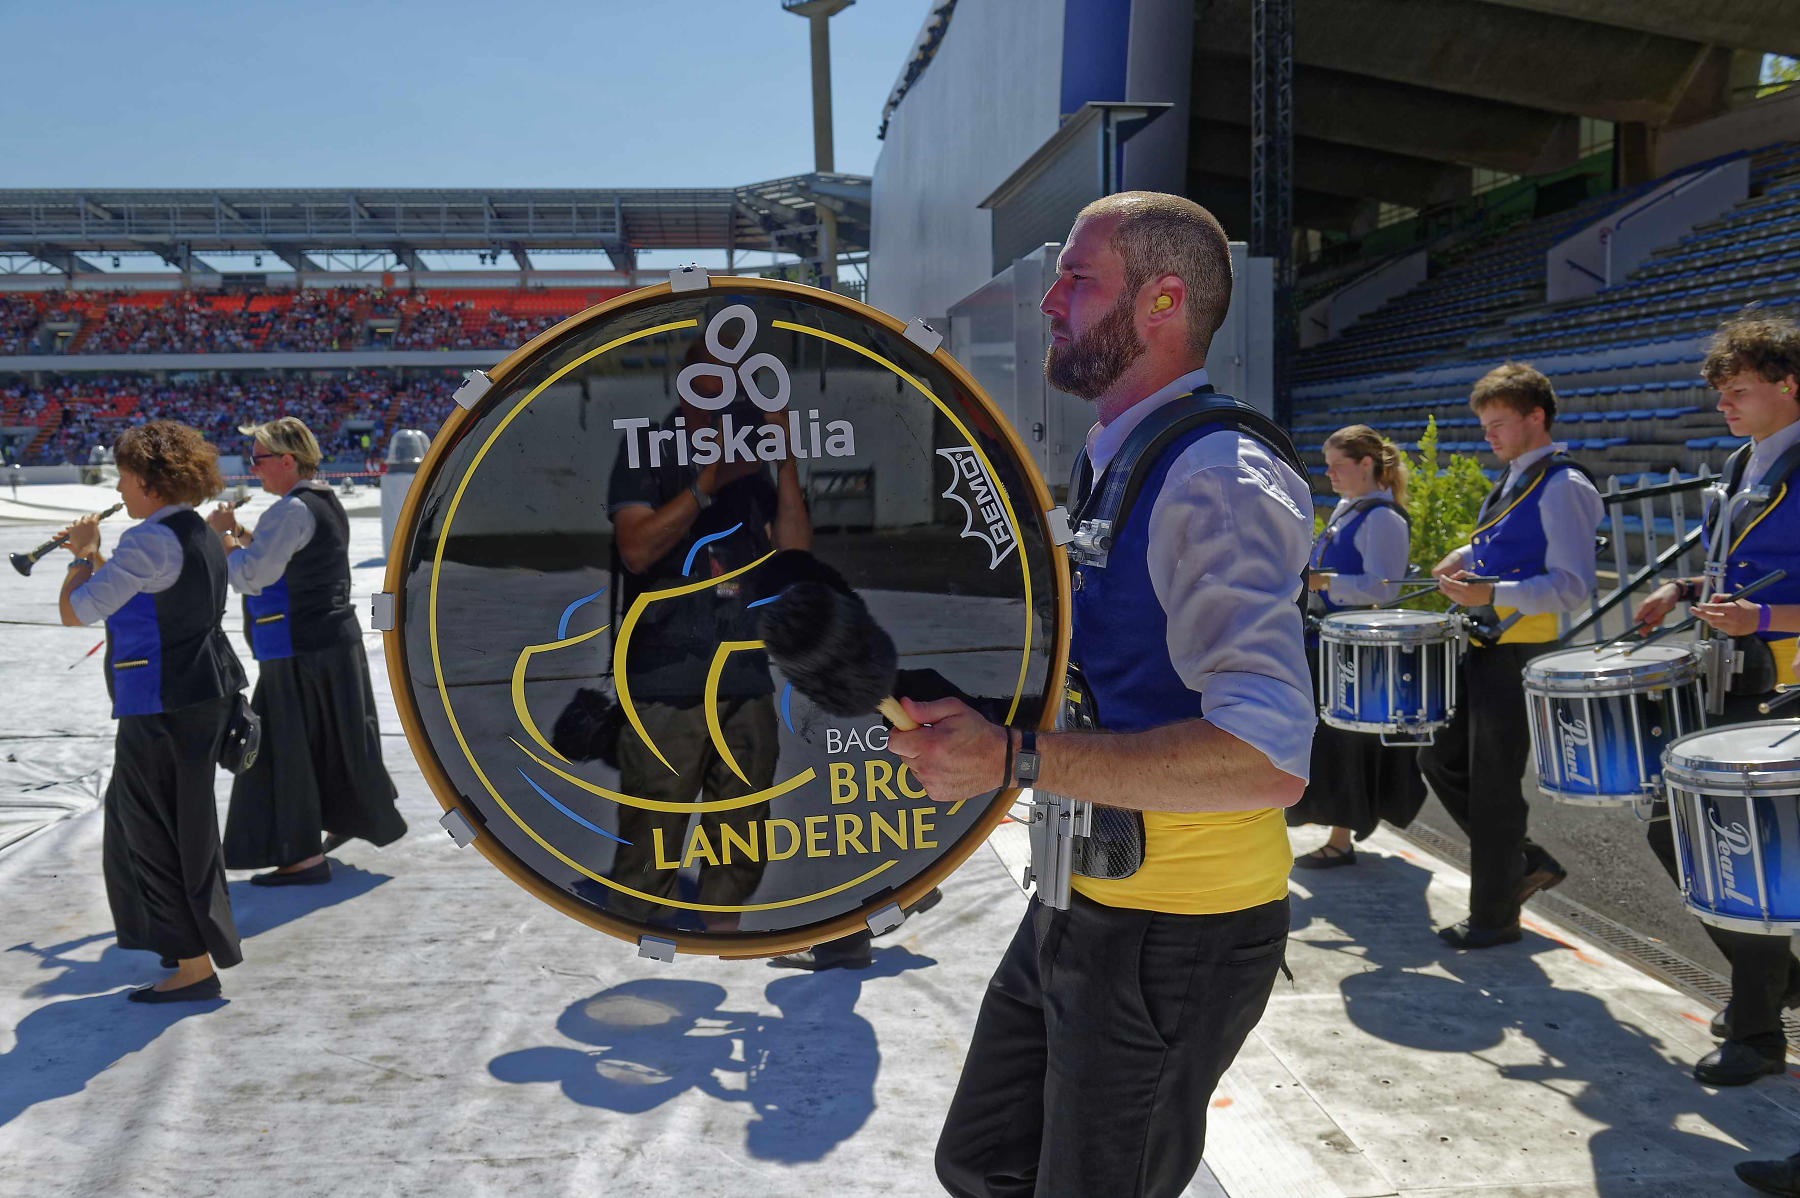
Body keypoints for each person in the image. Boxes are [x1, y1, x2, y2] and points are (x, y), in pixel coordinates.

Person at [889, 192, 1310, 1198]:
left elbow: (1265, 758)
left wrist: (1011, 758)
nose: (1049, 303)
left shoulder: (1217, 477)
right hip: (1082, 896)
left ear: (1162, 300)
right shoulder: (1117, 454)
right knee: (982, 1160)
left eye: (1076, 281)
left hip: (1178, 925)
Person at [1632, 313, 1800, 1085]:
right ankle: (1772, 983)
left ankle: (1759, 1032)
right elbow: (1739, 568)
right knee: (1678, 831)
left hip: (1781, 683)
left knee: (1743, 849)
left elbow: (1770, 596)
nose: (1724, 404)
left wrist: (1760, 619)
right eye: (1721, 391)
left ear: (1789, 384)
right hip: (1729, 672)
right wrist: (1682, 587)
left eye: (1739, 390)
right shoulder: (1742, 461)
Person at [604, 383, 811, 937]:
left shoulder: (752, 479)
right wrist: (707, 483)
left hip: (744, 677)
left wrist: (786, 462)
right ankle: (646, 938)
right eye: (720, 406)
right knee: (653, 831)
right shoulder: (651, 453)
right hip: (666, 680)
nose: (734, 422)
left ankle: (724, 932)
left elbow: (795, 557)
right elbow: (636, 549)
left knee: (742, 830)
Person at [56, 420, 247, 1002]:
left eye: (123, 477)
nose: (118, 489)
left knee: (153, 830)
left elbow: (76, 611)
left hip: (163, 704)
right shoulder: (196, 530)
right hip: (202, 693)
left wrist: (80, 557)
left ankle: (192, 965)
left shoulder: (148, 541)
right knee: (179, 825)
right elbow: (145, 593)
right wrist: (97, 556)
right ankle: (184, 945)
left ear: (148, 481)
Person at [1422, 362, 1601, 949]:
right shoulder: (1520, 476)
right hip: (1487, 641)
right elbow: (1504, 542)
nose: (1489, 435)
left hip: (1522, 650)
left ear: (1536, 417)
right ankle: (1520, 863)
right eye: (1485, 425)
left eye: (1498, 423)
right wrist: (1461, 554)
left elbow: (1572, 587)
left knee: (1495, 786)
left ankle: (1494, 917)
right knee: (1438, 758)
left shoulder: (1564, 484)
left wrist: (1491, 593)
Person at [208, 417, 404, 885]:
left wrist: (222, 538)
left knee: (285, 751)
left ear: (286, 460)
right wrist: (241, 536)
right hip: (331, 642)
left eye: (259, 459)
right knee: (335, 740)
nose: (253, 468)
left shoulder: (289, 511)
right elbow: (286, 559)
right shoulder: (324, 502)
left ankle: (302, 857)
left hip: (297, 648)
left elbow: (252, 576)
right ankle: (343, 818)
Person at [1291, 425, 1425, 867]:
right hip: (1327, 638)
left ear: (1366, 464)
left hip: (1355, 646)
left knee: (1346, 742)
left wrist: (1324, 581)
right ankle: (1331, 828)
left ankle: (1341, 839)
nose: (1329, 474)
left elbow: (1384, 588)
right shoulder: (1348, 509)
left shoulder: (1383, 518)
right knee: (1326, 737)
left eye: (1338, 465)